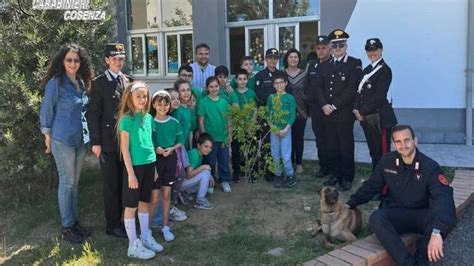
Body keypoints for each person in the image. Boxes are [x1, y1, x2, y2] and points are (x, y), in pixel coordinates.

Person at [345, 125, 457, 266]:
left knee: (446, 219)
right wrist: (350, 203)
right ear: (394, 144)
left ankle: (422, 256)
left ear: (415, 141)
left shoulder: (430, 167)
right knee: (377, 218)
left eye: (406, 140)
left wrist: (436, 232)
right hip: (398, 212)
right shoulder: (387, 161)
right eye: (398, 142)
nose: (403, 145)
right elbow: (372, 185)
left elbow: (443, 198)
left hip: (423, 214)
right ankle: (408, 263)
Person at [40, 43, 93, 244]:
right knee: (67, 182)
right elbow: (47, 110)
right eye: (69, 59)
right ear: (62, 61)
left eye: (76, 60)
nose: (73, 63)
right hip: (62, 140)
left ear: (81, 62)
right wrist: (47, 136)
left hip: (80, 139)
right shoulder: (56, 83)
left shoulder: (81, 81)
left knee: (74, 184)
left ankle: (73, 222)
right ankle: (66, 226)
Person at [87, 43, 131, 238]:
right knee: (111, 185)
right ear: (106, 59)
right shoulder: (99, 83)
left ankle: (125, 218)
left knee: (125, 181)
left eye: (121, 58)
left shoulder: (128, 80)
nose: (118, 61)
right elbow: (93, 114)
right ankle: (112, 224)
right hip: (108, 142)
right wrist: (96, 142)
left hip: (126, 141)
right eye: (114, 58)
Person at [117, 81, 162, 259]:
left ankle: (145, 236)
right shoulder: (126, 120)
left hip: (149, 166)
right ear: (130, 97)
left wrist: (155, 167)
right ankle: (133, 245)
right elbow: (125, 149)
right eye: (139, 96)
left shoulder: (149, 117)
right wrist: (131, 174)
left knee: (145, 202)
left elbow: (150, 143)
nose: (143, 99)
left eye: (145, 96)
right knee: (131, 206)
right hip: (134, 168)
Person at [315, 29, 362, 191]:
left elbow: (351, 89)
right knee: (331, 146)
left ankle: (347, 177)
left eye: (341, 44)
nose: (338, 48)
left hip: (343, 114)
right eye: (335, 45)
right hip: (327, 113)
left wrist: (333, 106)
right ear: (331, 47)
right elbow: (318, 87)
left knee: (345, 146)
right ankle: (335, 174)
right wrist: (324, 105)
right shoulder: (324, 65)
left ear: (346, 45)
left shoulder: (354, 63)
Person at [354, 38, 397, 170]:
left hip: (380, 118)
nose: (372, 53)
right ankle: (376, 178)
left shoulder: (385, 70)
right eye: (369, 50)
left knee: (383, 152)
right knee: (373, 151)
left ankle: (386, 183)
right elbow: (358, 92)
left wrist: (362, 111)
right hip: (367, 117)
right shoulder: (367, 69)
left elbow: (379, 96)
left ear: (381, 50)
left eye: (375, 50)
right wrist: (355, 109)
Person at [149, 90, 184, 243]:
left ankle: (165, 226)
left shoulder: (174, 122)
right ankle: (147, 229)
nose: (163, 107)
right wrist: (156, 148)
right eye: (159, 104)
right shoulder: (150, 121)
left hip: (170, 160)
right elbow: (146, 141)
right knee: (154, 197)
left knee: (166, 195)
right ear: (154, 105)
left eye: (166, 104)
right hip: (155, 161)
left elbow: (180, 141)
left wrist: (172, 148)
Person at [255, 48, 287, 182]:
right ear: (265, 60)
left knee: (281, 143)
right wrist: (273, 101)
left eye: (275, 58)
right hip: (266, 114)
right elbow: (259, 94)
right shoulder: (260, 75)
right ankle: (269, 170)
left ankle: (281, 170)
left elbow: (287, 91)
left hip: (280, 115)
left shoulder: (281, 74)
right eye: (270, 58)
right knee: (267, 142)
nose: (272, 60)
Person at [198, 76, 232, 193]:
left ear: (219, 86)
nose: (214, 89)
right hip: (210, 139)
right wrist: (204, 137)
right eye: (211, 87)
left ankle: (225, 180)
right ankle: (210, 182)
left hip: (223, 137)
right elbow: (201, 121)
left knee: (224, 160)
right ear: (207, 88)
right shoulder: (203, 102)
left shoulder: (224, 102)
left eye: (216, 86)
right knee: (210, 161)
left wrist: (229, 133)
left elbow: (228, 120)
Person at [307, 35, 332, 178]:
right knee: (320, 140)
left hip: (328, 109)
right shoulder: (312, 65)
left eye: (324, 48)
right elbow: (308, 85)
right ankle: (323, 167)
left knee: (331, 140)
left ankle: (333, 167)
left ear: (329, 48)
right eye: (318, 48)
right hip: (315, 109)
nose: (321, 51)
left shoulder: (333, 63)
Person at [267, 72, 296, 188]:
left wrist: (285, 129)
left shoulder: (290, 98)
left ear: (286, 83)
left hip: (286, 130)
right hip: (274, 130)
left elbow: (292, 115)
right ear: (273, 85)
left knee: (285, 155)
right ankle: (278, 174)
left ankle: (290, 175)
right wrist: (273, 128)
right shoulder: (271, 98)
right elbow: (268, 114)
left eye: (281, 82)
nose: (279, 85)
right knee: (275, 154)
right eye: (276, 83)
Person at [229, 68, 257, 183]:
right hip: (237, 127)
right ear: (236, 80)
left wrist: (252, 123)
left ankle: (252, 172)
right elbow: (230, 111)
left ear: (247, 80)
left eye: (244, 79)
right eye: (239, 79)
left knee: (251, 150)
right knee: (236, 151)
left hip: (249, 126)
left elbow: (255, 109)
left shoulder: (251, 93)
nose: (242, 81)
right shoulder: (232, 93)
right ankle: (236, 173)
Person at [284, 48, 309, 174]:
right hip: (285, 112)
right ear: (287, 59)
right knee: (287, 138)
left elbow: (308, 91)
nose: (293, 59)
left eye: (295, 57)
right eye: (291, 57)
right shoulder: (282, 74)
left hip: (301, 111)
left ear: (299, 59)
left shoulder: (305, 73)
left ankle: (298, 163)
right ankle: (289, 161)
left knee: (298, 138)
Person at [181, 133, 215, 209]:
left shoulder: (199, 154)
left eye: (210, 147)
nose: (208, 149)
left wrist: (209, 175)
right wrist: (204, 167)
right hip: (179, 183)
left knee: (207, 175)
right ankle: (200, 201)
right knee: (205, 174)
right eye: (206, 146)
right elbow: (188, 175)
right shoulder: (194, 154)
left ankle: (184, 193)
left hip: (182, 182)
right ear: (199, 145)